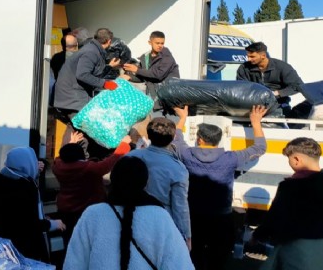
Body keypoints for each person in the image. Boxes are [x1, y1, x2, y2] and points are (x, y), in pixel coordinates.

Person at [172, 105, 268, 270]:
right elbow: (259, 148)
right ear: (218, 140)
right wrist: (255, 122)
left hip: (193, 216)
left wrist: (182, 118)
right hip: (221, 217)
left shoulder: (187, 155)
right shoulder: (230, 158)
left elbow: (175, 139)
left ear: (200, 139)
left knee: (194, 254)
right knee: (218, 256)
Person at [250, 137, 323, 270]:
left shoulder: (289, 188)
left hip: (295, 250)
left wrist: (257, 236)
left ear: (297, 160)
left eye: (289, 159)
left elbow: (273, 219)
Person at [64, 156, 195, 270]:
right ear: (145, 183)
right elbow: (179, 264)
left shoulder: (92, 214)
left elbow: (74, 263)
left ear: (113, 180)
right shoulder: (160, 216)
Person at [0, 147, 65, 262]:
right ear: (25, 165)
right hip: (22, 248)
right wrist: (52, 224)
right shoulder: (25, 187)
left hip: (1, 242)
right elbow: (29, 224)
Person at [52, 132, 132, 247]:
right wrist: (124, 144)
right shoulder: (89, 168)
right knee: (89, 242)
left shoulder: (57, 167)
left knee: (70, 241)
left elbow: (59, 158)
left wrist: (71, 144)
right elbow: (110, 161)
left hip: (65, 210)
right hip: (88, 211)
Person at [126, 117, 192, 250]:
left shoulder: (130, 157)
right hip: (159, 224)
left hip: (129, 217)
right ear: (173, 137)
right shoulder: (178, 168)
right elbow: (180, 207)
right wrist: (186, 236)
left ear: (148, 135)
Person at [53, 28, 122, 152]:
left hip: (70, 97)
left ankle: (68, 159)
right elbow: (83, 74)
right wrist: (105, 84)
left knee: (76, 128)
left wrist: (108, 67)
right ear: (109, 41)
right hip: (72, 97)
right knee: (89, 127)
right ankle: (78, 160)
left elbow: (93, 74)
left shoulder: (92, 49)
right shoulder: (91, 52)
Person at [122, 31, 181, 119]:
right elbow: (144, 76)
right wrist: (129, 77)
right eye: (157, 43)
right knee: (155, 128)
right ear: (150, 42)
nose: (160, 45)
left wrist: (137, 70)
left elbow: (158, 74)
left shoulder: (167, 57)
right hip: (153, 100)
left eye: (162, 43)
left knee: (171, 129)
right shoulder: (145, 58)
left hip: (168, 100)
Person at [236, 42, 304, 117]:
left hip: (279, 106)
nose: (248, 59)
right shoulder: (244, 68)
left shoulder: (282, 67)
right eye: (248, 56)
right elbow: (241, 88)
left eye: (252, 57)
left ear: (263, 56)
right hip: (254, 108)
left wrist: (278, 93)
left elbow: (298, 85)